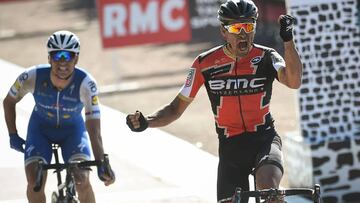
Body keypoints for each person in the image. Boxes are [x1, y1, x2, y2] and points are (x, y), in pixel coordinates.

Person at [126, 0, 302, 202]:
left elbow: (294, 81)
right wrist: (147, 121)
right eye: (236, 27)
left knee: (269, 189)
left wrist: (288, 41)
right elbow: (175, 109)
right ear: (223, 31)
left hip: (264, 139)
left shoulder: (267, 56)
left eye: (249, 26)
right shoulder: (204, 63)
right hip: (230, 148)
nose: (243, 33)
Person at [3, 30, 115, 203]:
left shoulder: (87, 83)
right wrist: (12, 134)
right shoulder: (31, 76)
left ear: (76, 58)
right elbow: (8, 101)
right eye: (57, 55)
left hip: (73, 132)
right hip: (40, 131)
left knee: (83, 181)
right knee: (35, 183)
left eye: (68, 55)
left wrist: (101, 161)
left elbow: (93, 128)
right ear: (49, 58)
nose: (63, 62)